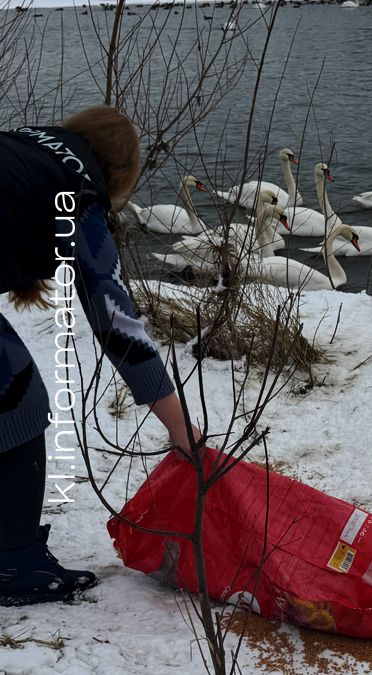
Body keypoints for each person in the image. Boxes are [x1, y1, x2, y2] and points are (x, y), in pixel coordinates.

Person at [0, 106, 199, 606]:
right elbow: (116, 321)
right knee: (18, 401)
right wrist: (179, 427)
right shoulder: (79, 190)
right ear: (118, 174)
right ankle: (14, 565)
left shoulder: (29, 150)